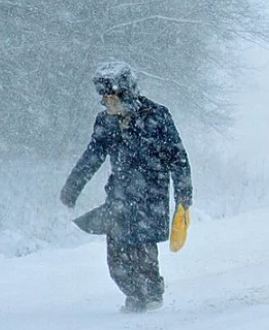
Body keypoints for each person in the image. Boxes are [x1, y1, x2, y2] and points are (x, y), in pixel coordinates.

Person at [60, 61, 193, 313]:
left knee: (143, 251)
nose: (108, 102)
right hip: (118, 197)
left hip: (151, 197)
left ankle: (152, 295)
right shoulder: (105, 122)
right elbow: (92, 156)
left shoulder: (157, 116)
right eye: (104, 97)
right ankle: (134, 295)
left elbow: (178, 158)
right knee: (117, 259)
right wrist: (72, 187)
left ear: (127, 92)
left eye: (113, 96)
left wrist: (183, 197)